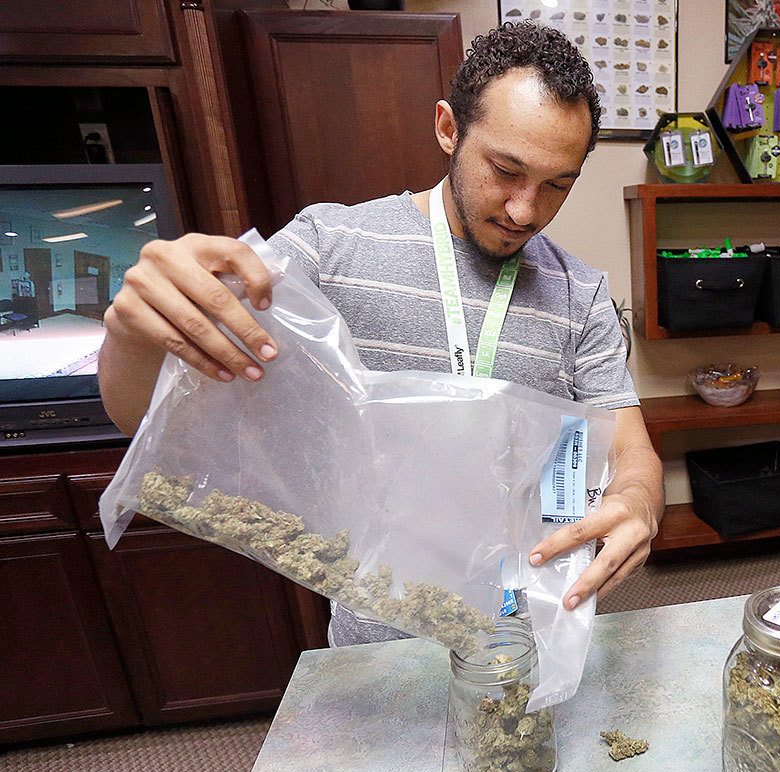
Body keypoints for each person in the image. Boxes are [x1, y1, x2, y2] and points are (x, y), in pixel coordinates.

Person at [97, 21, 664, 644]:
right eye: (505, 170)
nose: (525, 211)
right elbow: (151, 421)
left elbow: (630, 452)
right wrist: (133, 335)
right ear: (449, 128)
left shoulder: (580, 295)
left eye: (557, 185)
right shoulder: (328, 249)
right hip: (376, 642)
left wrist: (637, 501)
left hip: (526, 630)